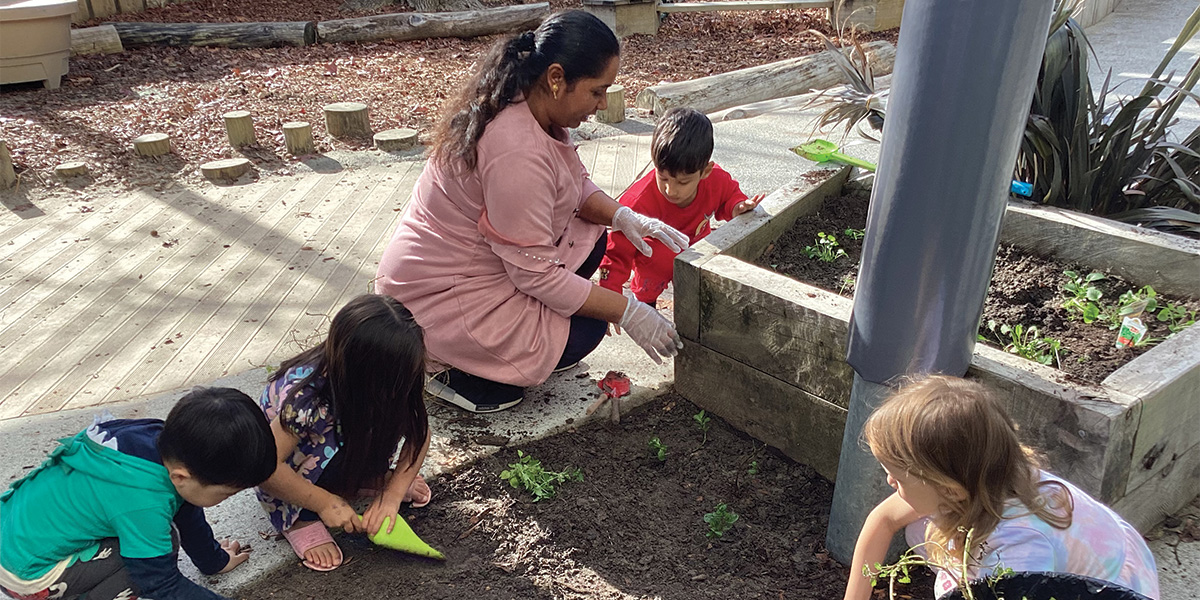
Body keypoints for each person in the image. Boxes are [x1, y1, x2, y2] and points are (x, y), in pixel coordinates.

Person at [375, 10, 689, 414]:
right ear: (557, 78)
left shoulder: (533, 104)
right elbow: (536, 274)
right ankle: (445, 369)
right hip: (435, 299)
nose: (602, 103)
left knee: (593, 240)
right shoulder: (514, 151)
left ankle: (518, 347)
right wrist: (628, 311)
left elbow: (574, 184)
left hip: (480, 267)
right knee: (590, 328)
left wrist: (623, 216)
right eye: (597, 91)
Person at [843, 375, 1160, 600]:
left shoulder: (1021, 551)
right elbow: (883, 521)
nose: (889, 483)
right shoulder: (981, 474)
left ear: (951, 489)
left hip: (1104, 589)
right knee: (920, 529)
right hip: (1074, 547)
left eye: (897, 477)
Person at [0, 387, 276, 600]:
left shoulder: (160, 443)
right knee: (157, 546)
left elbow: (186, 505)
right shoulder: (142, 499)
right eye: (226, 494)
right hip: (29, 575)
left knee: (155, 531)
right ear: (181, 476)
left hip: (15, 538)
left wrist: (214, 561)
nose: (226, 499)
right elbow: (158, 582)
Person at [255, 294, 431, 572]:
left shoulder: (386, 384)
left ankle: (362, 479)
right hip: (297, 460)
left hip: (349, 432)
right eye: (389, 385)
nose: (396, 392)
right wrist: (323, 503)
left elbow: (419, 432)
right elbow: (264, 467)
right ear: (360, 372)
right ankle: (301, 515)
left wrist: (393, 494)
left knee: (385, 421)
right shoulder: (305, 400)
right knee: (323, 446)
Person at [599, 107, 763, 306]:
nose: (671, 190)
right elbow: (616, 252)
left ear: (705, 172)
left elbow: (729, 196)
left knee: (696, 299)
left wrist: (737, 207)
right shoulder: (636, 202)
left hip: (699, 250)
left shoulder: (716, 181)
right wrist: (609, 298)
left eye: (683, 182)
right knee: (646, 303)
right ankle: (647, 304)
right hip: (654, 261)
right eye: (663, 177)